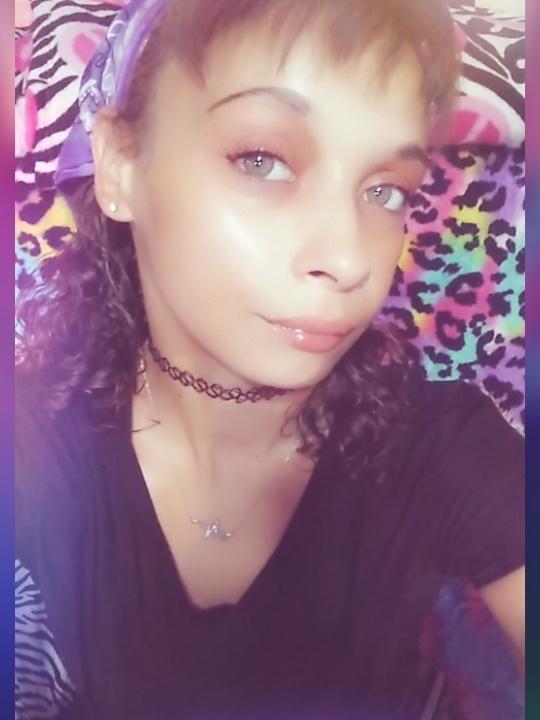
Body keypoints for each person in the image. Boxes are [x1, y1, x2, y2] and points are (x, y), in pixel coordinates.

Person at [15, 0, 524, 718]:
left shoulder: (438, 446)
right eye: (263, 160)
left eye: (386, 190)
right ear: (121, 164)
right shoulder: (31, 447)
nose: (349, 258)